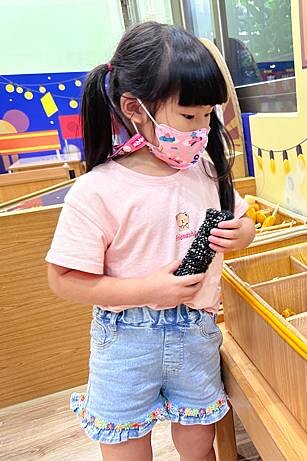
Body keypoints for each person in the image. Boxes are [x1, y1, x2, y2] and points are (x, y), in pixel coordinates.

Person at [46, 22, 255, 461]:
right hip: (125, 341)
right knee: (125, 450)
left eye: (208, 116)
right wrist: (147, 289)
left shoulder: (204, 172)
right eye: (189, 117)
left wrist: (244, 233)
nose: (201, 129)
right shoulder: (97, 190)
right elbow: (63, 279)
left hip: (196, 332)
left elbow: (242, 222)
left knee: (199, 446)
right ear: (134, 108)